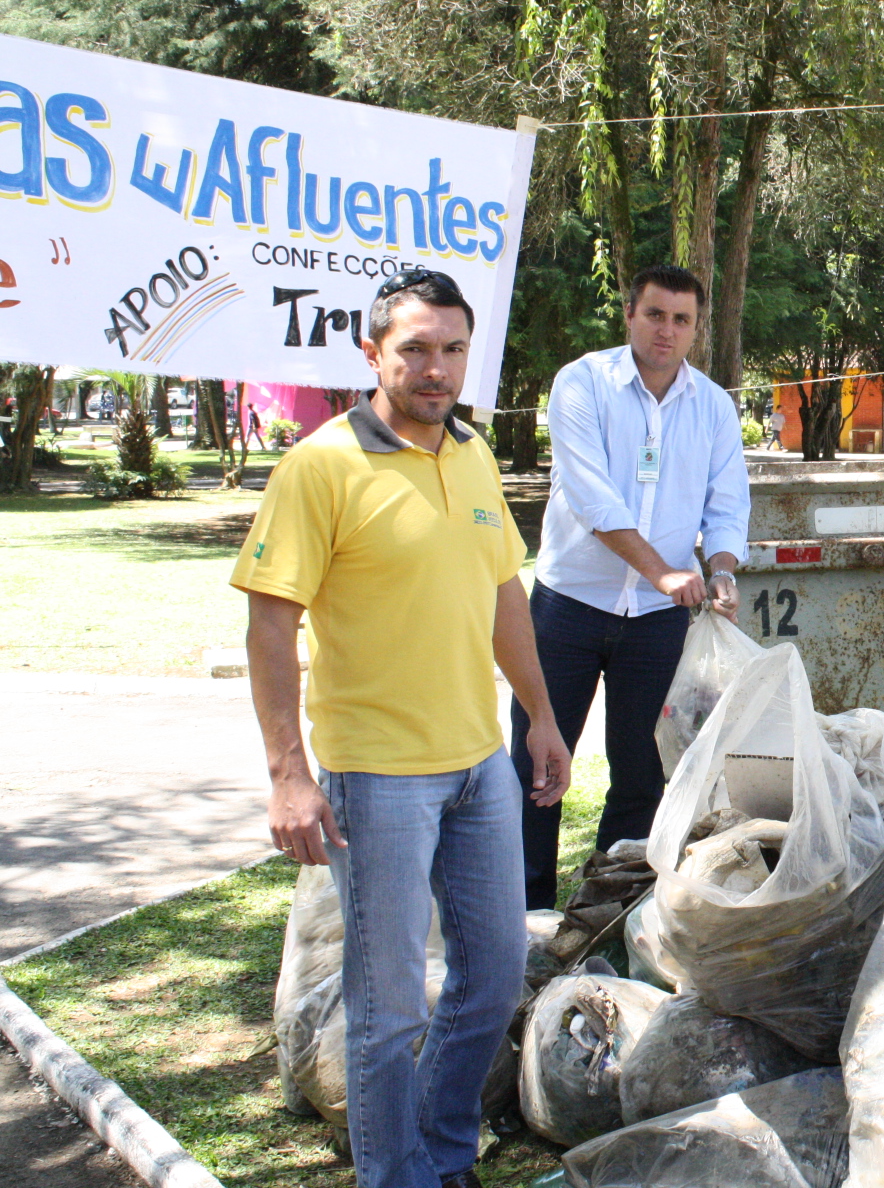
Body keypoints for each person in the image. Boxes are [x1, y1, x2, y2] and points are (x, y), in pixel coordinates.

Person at [232, 268, 573, 1188]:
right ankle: (398, 1176)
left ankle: (443, 1153)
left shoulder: (472, 453)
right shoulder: (320, 466)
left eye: (453, 349)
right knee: (387, 1011)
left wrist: (542, 717)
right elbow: (271, 625)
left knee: (493, 979)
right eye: (415, 348)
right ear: (372, 352)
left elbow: (504, 595)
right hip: (376, 776)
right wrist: (288, 774)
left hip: (480, 765)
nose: (437, 368)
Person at [512, 263, 750, 910]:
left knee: (642, 775)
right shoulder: (582, 382)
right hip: (567, 608)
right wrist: (663, 571)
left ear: (696, 329)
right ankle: (528, 917)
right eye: (655, 314)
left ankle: (606, 912)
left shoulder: (713, 406)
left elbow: (727, 503)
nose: (666, 330)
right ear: (629, 314)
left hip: (657, 621)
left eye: (681, 320)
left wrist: (721, 570)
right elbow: (591, 496)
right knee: (537, 767)